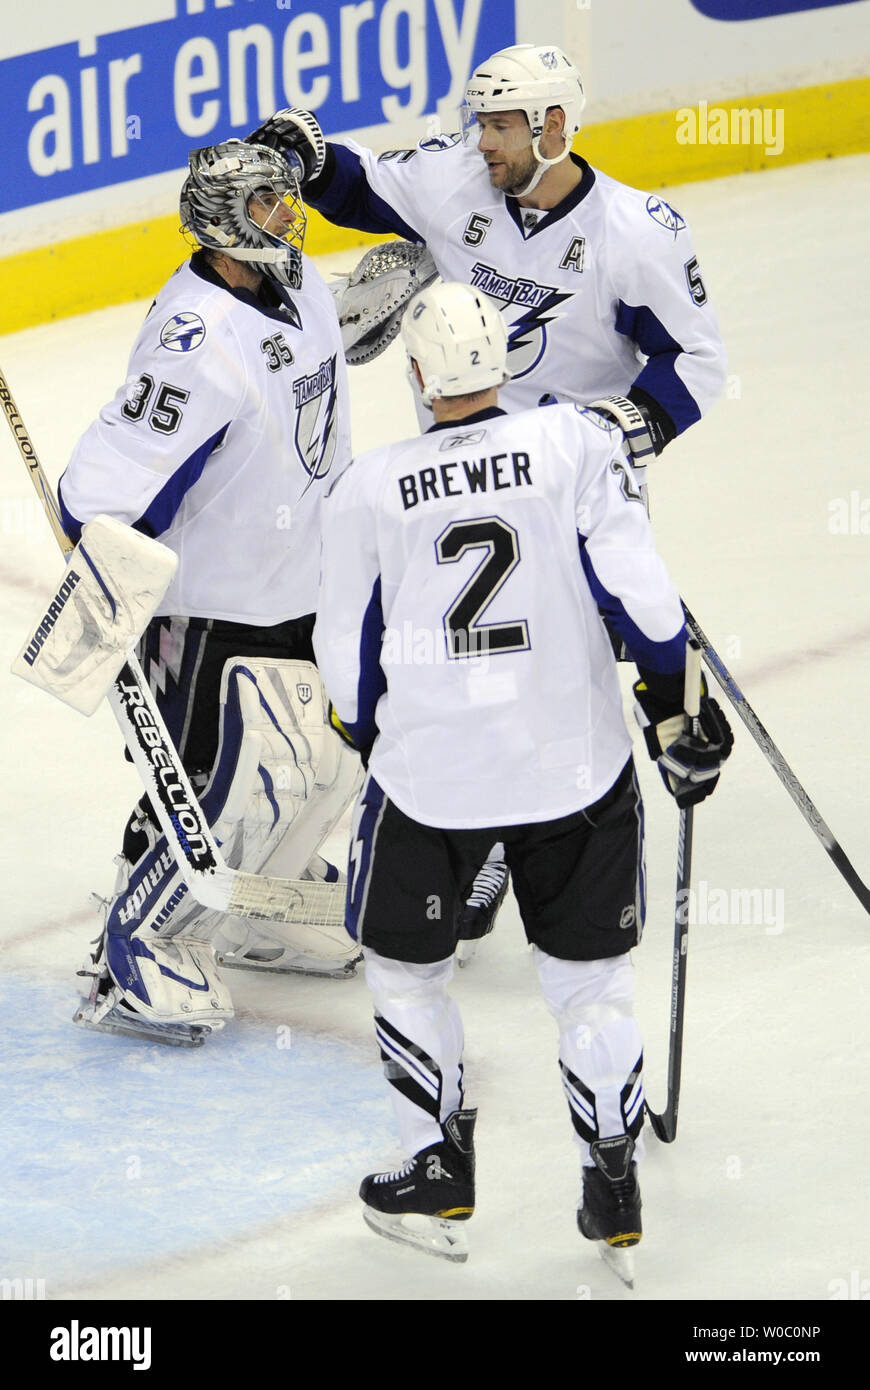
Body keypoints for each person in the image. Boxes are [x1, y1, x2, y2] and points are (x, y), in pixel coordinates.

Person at [248, 41, 728, 938]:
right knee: (464, 656)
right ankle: (468, 834)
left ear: (553, 127)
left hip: (569, 490)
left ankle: (535, 839)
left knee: (566, 668)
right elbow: (360, 189)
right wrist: (307, 158)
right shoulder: (460, 179)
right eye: (479, 123)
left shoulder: (634, 233)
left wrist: (625, 428)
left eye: (502, 125)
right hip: (455, 476)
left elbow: (694, 362)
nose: (483, 143)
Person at [313, 281, 733, 1274]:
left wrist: (370, 730)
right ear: (503, 364)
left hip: (432, 782)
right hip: (575, 770)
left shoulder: (369, 485)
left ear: (415, 374)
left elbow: (344, 653)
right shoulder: (574, 443)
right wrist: (673, 705)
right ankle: (612, 1183)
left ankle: (438, 1169)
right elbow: (641, 592)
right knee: (591, 988)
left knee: (408, 969)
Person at [59, 136, 361, 1046]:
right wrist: (113, 577)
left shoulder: (297, 283)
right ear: (225, 222)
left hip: (307, 581)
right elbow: (102, 491)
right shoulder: (192, 340)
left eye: (286, 199)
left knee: (326, 764)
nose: (289, 215)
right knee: (217, 783)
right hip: (217, 604)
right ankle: (142, 935)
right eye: (268, 203)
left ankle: (262, 908)